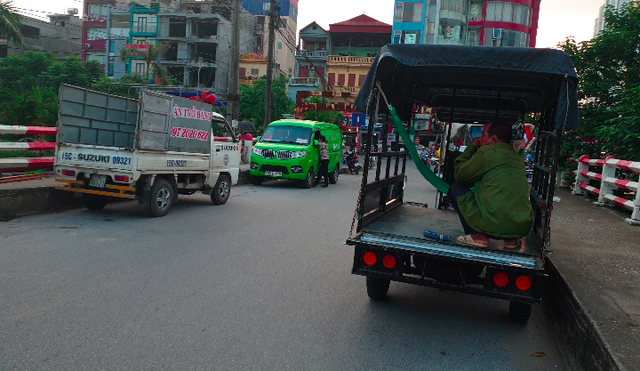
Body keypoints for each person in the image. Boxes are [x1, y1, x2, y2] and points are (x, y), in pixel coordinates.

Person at [446, 121, 533, 249]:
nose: (480, 138)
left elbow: (461, 176)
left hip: (492, 224)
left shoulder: (488, 152)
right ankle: (510, 240)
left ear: (493, 139)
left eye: (483, 134)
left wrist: (472, 147)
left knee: (455, 188)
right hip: (521, 227)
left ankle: (478, 236)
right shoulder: (517, 157)